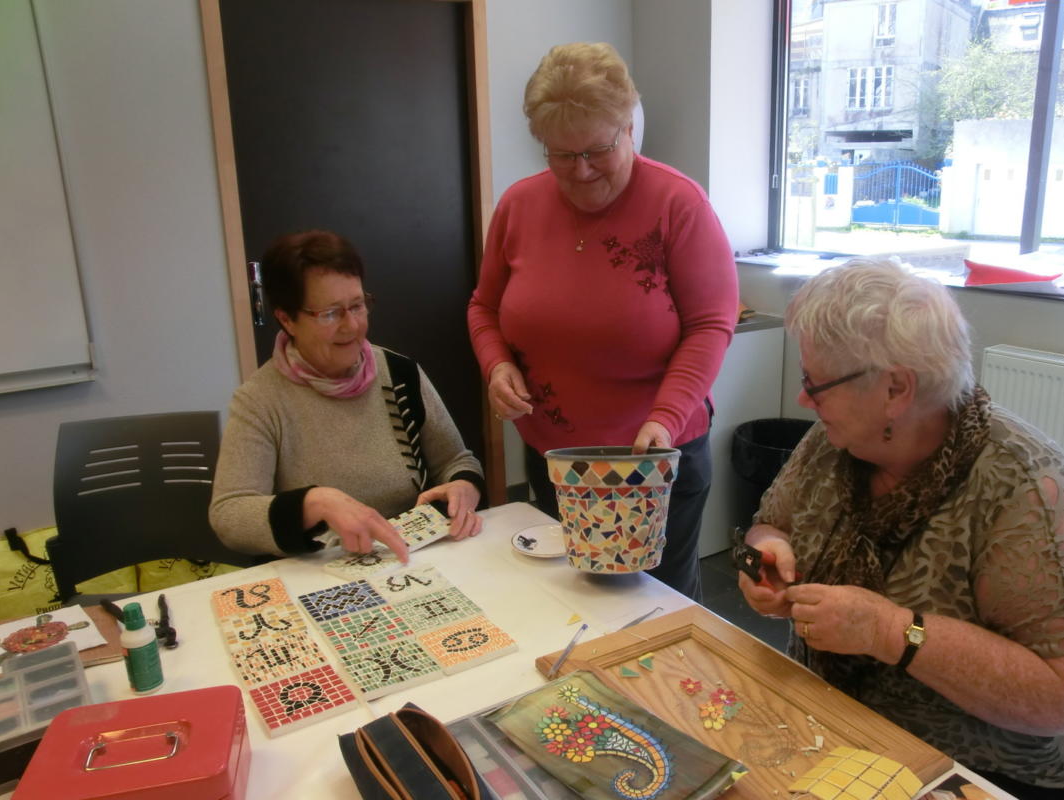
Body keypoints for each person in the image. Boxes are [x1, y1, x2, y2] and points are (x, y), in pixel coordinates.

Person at [738, 258, 1064, 798]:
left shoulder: (1023, 489)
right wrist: (769, 554)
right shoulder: (836, 439)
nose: (804, 399)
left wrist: (891, 631)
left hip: (991, 772)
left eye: (815, 383)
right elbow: (770, 525)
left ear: (896, 389)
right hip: (847, 723)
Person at [467, 42, 738, 600]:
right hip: (557, 459)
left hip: (653, 458)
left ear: (628, 128)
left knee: (658, 607)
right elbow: (484, 308)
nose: (582, 170)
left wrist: (666, 416)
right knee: (569, 601)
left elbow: (711, 324)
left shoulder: (678, 204)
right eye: (562, 155)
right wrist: (496, 366)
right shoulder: (518, 206)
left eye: (597, 150)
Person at [211, 230, 485, 558]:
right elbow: (229, 514)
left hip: (411, 558)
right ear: (287, 319)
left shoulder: (399, 374)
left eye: (357, 306)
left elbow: (456, 459)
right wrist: (314, 503)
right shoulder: (260, 400)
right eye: (330, 313)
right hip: (321, 568)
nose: (352, 326)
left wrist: (465, 487)